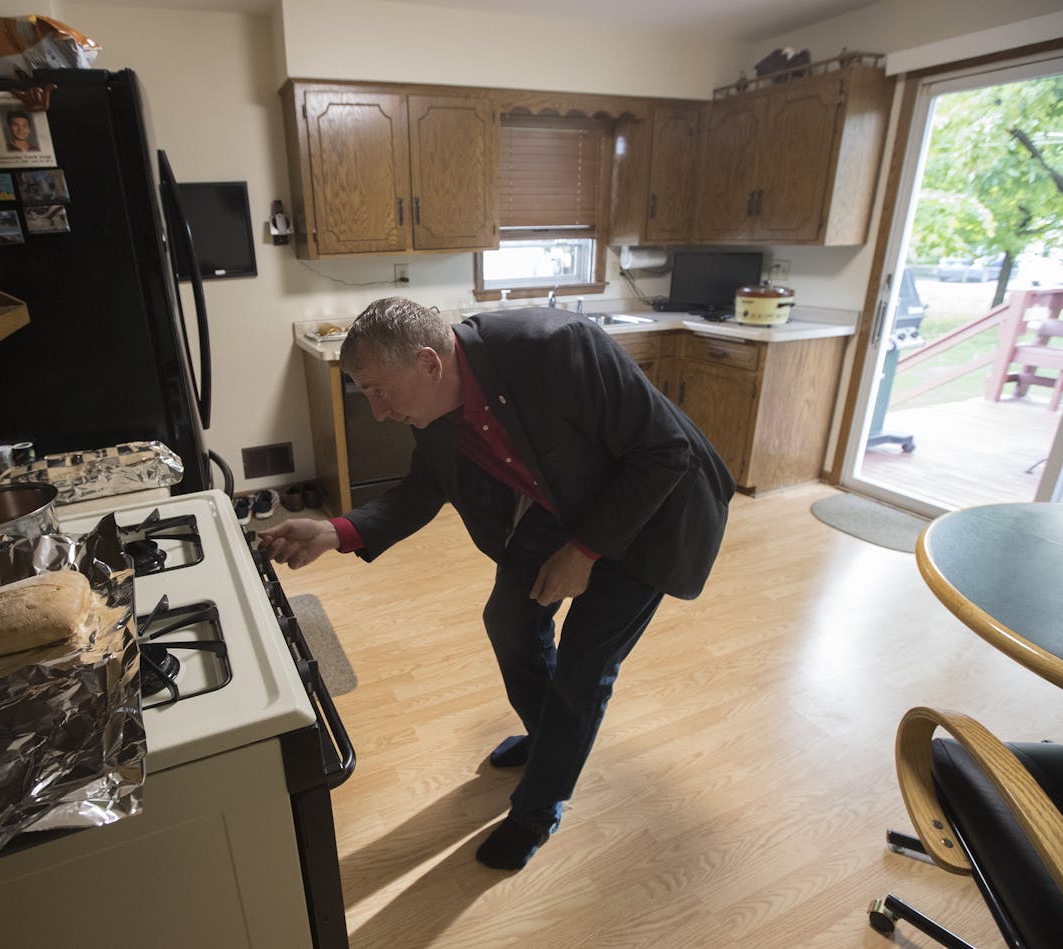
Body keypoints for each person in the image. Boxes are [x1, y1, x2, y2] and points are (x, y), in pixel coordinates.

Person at [261, 297, 734, 870]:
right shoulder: (436, 410)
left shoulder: (553, 346)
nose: (378, 411)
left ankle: (539, 808)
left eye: (379, 390)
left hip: (658, 507)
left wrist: (583, 552)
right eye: (367, 393)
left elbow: (665, 451)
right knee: (509, 618)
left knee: (585, 668)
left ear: (430, 363)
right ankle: (551, 738)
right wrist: (335, 532)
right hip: (568, 500)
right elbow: (420, 490)